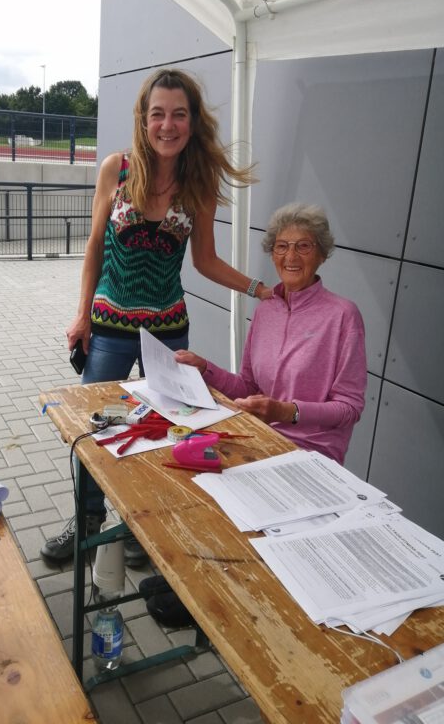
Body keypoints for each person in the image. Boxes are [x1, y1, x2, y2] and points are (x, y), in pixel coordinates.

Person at [41, 67, 272, 564]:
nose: (168, 125)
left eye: (179, 115)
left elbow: (205, 260)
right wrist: (81, 315)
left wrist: (259, 289)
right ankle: (86, 521)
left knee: (164, 425)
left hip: (167, 330)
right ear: (144, 120)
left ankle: (137, 523)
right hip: (109, 325)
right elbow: (96, 245)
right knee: (94, 427)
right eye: (158, 114)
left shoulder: (199, 182)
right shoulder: (117, 170)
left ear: (193, 122)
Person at [142, 202, 367, 627]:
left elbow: (350, 409)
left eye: (303, 246)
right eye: (281, 247)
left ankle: (215, 602)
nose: (291, 257)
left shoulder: (343, 315)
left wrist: (285, 411)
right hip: (260, 437)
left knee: (226, 495)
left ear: (322, 254)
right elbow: (248, 387)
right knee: (189, 478)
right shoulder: (266, 309)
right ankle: (199, 578)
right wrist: (205, 368)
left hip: (310, 453)